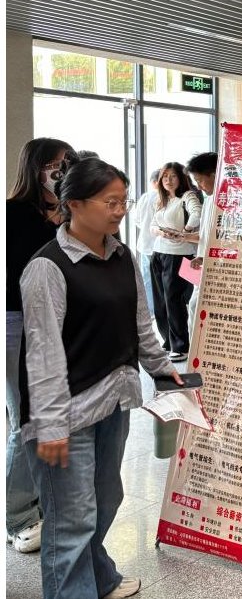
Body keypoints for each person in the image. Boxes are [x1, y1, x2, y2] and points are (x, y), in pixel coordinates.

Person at [19, 158, 184, 599]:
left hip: (113, 401)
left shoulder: (121, 254)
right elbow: (43, 353)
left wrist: (161, 367)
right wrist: (51, 424)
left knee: (105, 499)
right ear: (74, 204)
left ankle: (100, 578)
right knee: (70, 520)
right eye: (110, 202)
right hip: (66, 413)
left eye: (123, 201)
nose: (120, 211)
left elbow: (141, 320)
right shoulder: (48, 266)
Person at [6, 137, 76, 554]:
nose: (61, 172)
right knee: (25, 419)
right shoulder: (13, 214)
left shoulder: (69, 213)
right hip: (16, 323)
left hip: (57, 327)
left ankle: (40, 502)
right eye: (54, 165)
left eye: (68, 163)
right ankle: (18, 517)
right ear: (35, 169)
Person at [150, 162, 202, 362]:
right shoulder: (162, 199)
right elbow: (152, 226)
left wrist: (185, 231)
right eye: (165, 177)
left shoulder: (187, 196)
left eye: (173, 176)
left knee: (174, 300)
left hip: (178, 254)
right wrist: (160, 232)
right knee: (160, 300)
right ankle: (168, 341)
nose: (168, 180)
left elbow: (197, 214)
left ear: (181, 178)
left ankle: (180, 346)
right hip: (158, 252)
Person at [184, 152, 219, 333]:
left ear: (213, 175)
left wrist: (207, 258)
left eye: (199, 180)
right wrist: (184, 237)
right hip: (203, 265)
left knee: (197, 310)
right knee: (194, 309)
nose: (198, 186)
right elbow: (205, 235)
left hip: (215, 270)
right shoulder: (209, 200)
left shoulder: (225, 203)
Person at [132, 170, 161, 314]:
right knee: (161, 279)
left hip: (145, 244)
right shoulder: (166, 197)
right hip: (161, 246)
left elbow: (137, 220)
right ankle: (161, 309)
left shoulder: (145, 197)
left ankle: (150, 311)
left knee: (147, 279)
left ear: (154, 182)